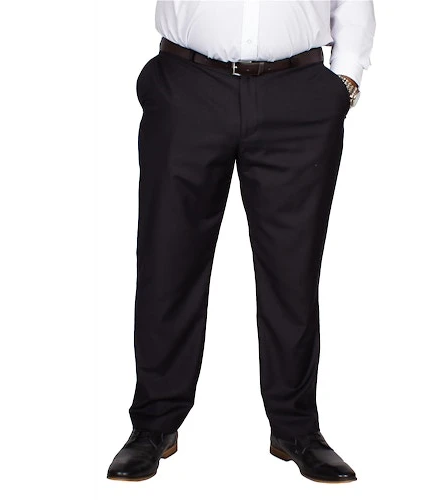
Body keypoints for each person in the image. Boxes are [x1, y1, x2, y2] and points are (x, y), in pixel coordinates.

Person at [107, 0, 376, 483]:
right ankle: (153, 424)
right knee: (168, 262)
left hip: (298, 94)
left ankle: (296, 428)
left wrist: (346, 78)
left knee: (293, 272)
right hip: (188, 84)